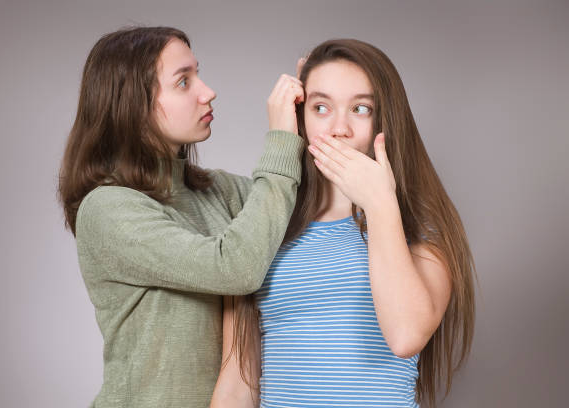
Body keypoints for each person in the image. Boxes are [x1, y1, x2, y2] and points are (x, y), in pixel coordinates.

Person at [211, 39, 476, 408]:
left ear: (385, 119)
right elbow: (239, 378)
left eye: (360, 109)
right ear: (300, 118)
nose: (339, 128)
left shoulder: (420, 231)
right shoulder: (265, 229)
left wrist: (380, 202)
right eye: (321, 107)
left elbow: (405, 335)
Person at [58, 26, 306, 407]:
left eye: (198, 75)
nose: (207, 92)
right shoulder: (107, 209)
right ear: (132, 105)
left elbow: (297, 201)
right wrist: (282, 139)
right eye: (184, 82)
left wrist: (314, 110)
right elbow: (235, 267)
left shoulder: (215, 190)